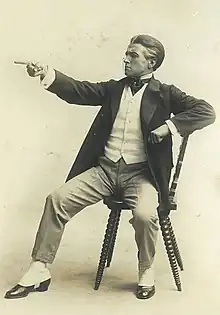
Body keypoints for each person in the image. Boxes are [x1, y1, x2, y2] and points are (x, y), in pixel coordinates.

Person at [5, 34, 215, 300]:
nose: (125, 59)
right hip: (103, 172)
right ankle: (39, 269)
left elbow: (206, 111)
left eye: (133, 55)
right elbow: (78, 91)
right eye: (126, 53)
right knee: (57, 199)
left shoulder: (165, 94)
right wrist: (46, 72)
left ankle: (146, 269)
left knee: (144, 214)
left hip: (140, 176)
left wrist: (168, 127)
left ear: (151, 63)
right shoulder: (114, 88)